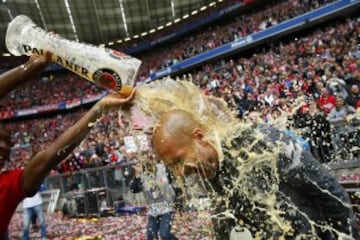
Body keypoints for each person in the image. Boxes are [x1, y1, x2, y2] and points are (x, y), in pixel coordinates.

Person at [125, 79, 359, 239]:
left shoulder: (260, 143)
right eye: (171, 167)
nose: (180, 173)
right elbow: (225, 219)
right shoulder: (210, 169)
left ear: (199, 137)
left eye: (178, 161)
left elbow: (331, 194)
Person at [0, 53, 136, 237]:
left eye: (8, 142)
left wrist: (99, 109)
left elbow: (50, 155)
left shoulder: (8, 185)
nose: (4, 146)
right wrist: (28, 69)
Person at [130, 160, 178, 240]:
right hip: (154, 211)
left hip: (167, 209)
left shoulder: (162, 170)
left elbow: (172, 179)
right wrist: (137, 175)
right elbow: (134, 189)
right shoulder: (143, 176)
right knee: (150, 235)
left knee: (164, 233)